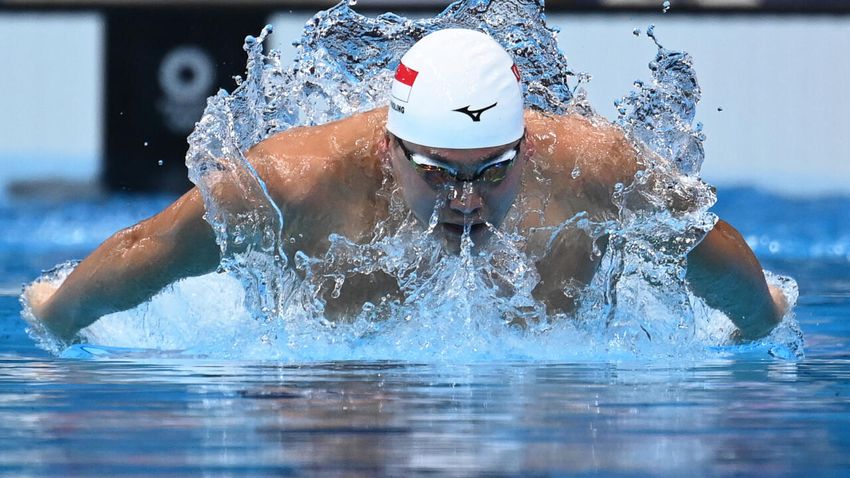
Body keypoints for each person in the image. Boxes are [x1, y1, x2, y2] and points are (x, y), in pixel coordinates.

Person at [26, 29, 787, 343]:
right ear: (388, 146)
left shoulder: (595, 169)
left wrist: (758, 327)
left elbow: (706, 244)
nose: (466, 199)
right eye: (437, 172)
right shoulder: (292, 185)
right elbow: (147, 245)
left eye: (493, 171)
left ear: (524, 147)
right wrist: (55, 318)